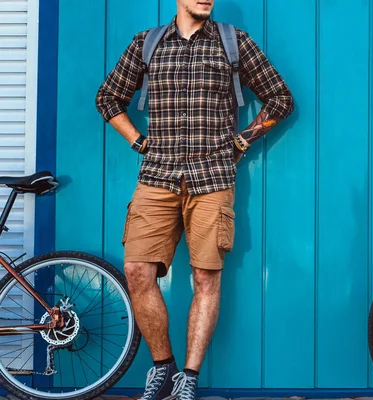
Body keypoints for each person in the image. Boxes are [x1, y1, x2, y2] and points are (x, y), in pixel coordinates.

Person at [95, 0, 294, 398]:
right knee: (137, 271)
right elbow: (107, 99)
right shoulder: (147, 44)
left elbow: (280, 99)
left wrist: (240, 141)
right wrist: (138, 141)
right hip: (157, 177)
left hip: (213, 178)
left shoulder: (234, 43)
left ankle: (188, 377)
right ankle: (163, 367)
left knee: (206, 277)